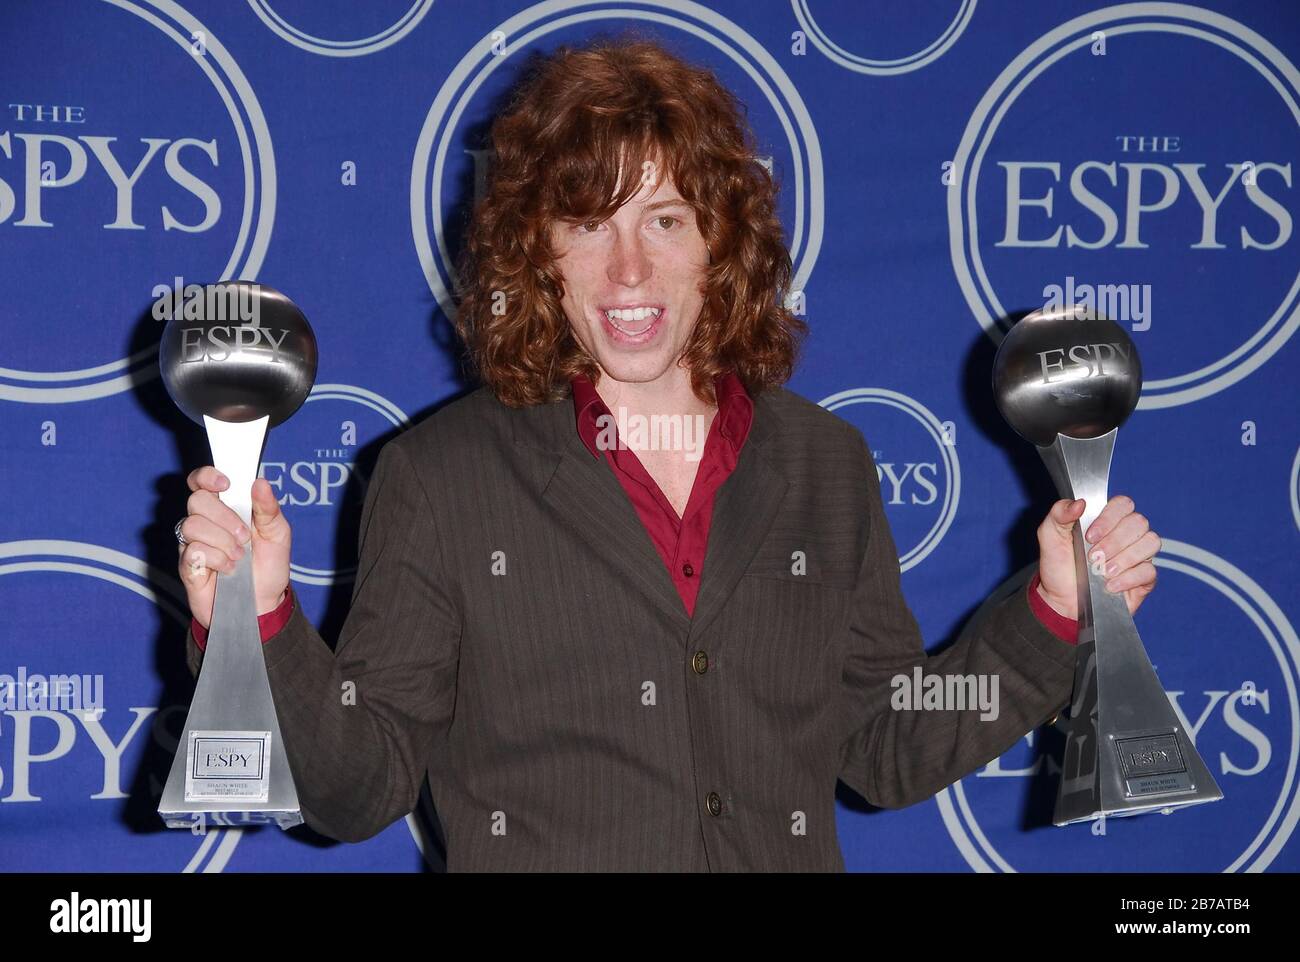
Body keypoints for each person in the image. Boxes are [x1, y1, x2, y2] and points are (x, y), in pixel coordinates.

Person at [174, 35, 1160, 871]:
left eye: (665, 219)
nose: (629, 267)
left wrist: (1051, 612)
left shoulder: (826, 461)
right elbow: (361, 787)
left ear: (720, 241)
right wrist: (258, 621)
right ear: (539, 253)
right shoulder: (442, 477)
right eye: (588, 222)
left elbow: (879, 745)